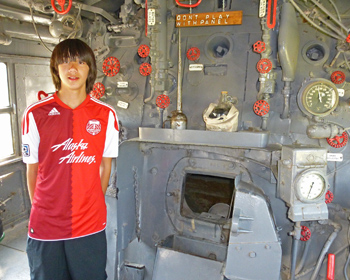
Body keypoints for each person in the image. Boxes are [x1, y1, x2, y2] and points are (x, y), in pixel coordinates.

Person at [21, 38, 119, 280]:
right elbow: (32, 169)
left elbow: (105, 166)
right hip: (46, 224)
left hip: (89, 223)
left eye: (79, 62)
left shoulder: (106, 115)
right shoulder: (35, 114)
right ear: (56, 68)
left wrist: (92, 201)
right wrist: (41, 209)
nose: (72, 69)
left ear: (90, 69)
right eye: (64, 62)